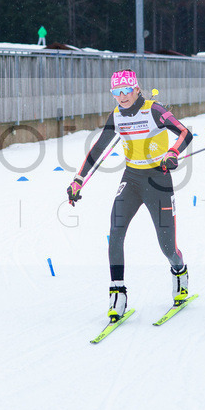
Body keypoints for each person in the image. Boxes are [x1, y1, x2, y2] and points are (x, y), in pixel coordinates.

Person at [66, 69, 194, 322]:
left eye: (126, 90)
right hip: (132, 179)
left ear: (136, 89)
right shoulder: (116, 115)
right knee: (115, 232)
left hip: (159, 180)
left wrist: (172, 153)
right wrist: (78, 180)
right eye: (116, 92)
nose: (122, 96)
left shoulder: (153, 110)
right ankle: (118, 294)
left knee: (167, 246)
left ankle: (179, 272)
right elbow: (98, 149)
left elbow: (184, 133)